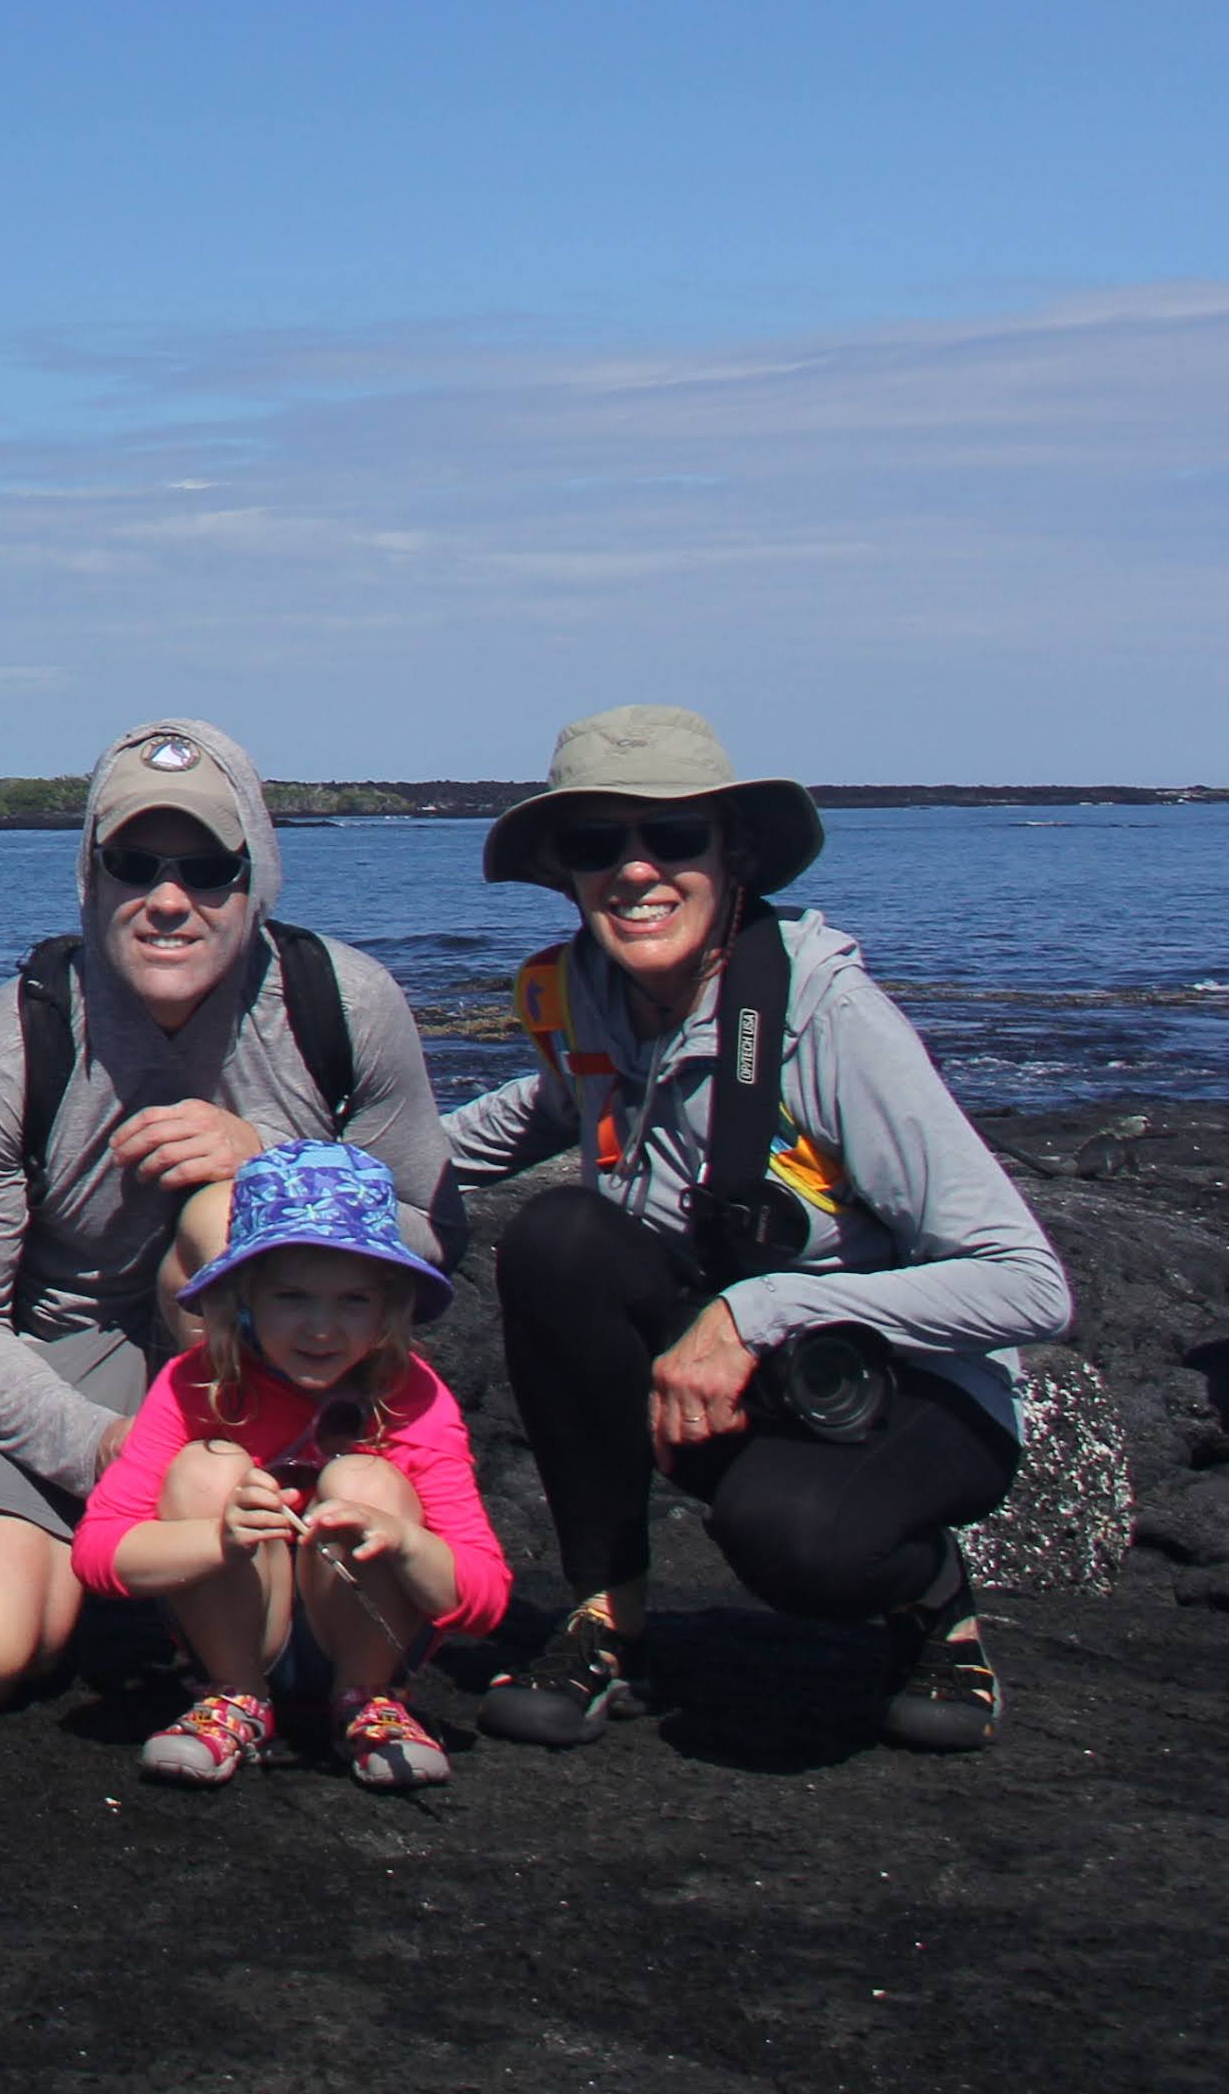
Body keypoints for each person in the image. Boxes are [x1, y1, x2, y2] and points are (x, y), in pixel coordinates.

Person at [447, 706, 1071, 1755]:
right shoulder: (587, 995)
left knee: (798, 1544)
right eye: (598, 844)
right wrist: (324, 1172)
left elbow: (1027, 1284)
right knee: (556, 1238)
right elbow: (554, 1107)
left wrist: (758, 1308)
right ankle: (608, 1617)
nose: (635, 872)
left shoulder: (828, 1015)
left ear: (731, 852)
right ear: (563, 872)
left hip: (898, 1391)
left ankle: (933, 1603)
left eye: (670, 838)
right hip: (740, 1374)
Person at [0, 720, 460, 1712]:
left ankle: (233, 1598)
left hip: (274, 1364)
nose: (168, 899)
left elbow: (426, 1239)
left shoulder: (345, 1005)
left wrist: (280, 1170)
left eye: (206, 868)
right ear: (89, 877)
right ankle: (166, 1560)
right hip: (67, 1354)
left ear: (256, 878)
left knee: (223, 1209)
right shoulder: (6, 1048)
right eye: (133, 863)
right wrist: (107, 1446)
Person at [74, 1138, 511, 1792]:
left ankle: (369, 1699)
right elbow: (99, 1553)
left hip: (366, 1628)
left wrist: (404, 1542)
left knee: (364, 1478)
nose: (321, 1328)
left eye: (353, 1301)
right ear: (244, 1294)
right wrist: (218, 1539)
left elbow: (484, 1596)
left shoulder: (414, 1395)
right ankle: (236, 1694)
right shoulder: (193, 1382)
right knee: (208, 1465)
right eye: (292, 1296)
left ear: (391, 1305)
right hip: (243, 1622)